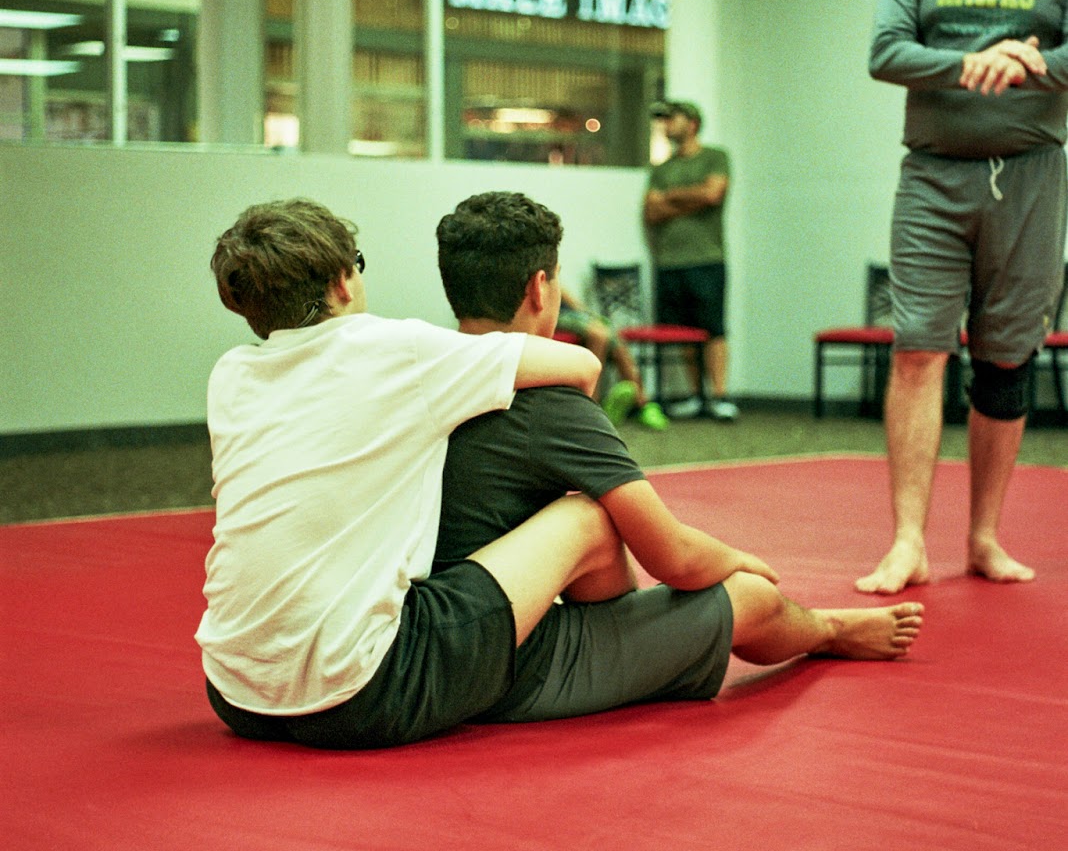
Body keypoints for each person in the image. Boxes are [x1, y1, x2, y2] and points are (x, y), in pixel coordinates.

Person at [433, 190, 923, 726]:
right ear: (540, 287)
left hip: (434, 626)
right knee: (752, 596)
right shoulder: (550, 402)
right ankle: (830, 630)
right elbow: (675, 560)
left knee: (594, 523)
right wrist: (741, 560)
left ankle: (636, 642)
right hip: (508, 667)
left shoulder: (421, 376)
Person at [197, 197, 632, 750]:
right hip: (363, 695)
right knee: (586, 516)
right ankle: (622, 639)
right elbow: (584, 365)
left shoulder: (230, 375)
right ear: (343, 281)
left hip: (235, 691)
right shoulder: (394, 348)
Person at [857, 0, 1068, 596]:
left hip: (1031, 174)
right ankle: (907, 540)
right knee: (917, 347)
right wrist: (982, 58)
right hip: (934, 174)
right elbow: (885, 49)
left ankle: (983, 537)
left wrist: (1031, 63)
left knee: (1007, 356)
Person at [644, 99, 738, 420]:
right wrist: (690, 199)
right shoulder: (661, 168)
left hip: (707, 258)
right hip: (670, 261)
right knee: (684, 332)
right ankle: (696, 396)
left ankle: (720, 397)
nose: (666, 124)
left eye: (672, 118)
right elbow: (652, 211)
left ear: (693, 123)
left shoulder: (716, 157)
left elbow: (713, 193)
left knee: (713, 329)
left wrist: (671, 197)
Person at [556, 284, 669, 430]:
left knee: (611, 333)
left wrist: (586, 313)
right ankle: (591, 407)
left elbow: (560, 288)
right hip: (554, 314)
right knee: (600, 335)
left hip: (569, 312)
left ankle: (643, 404)